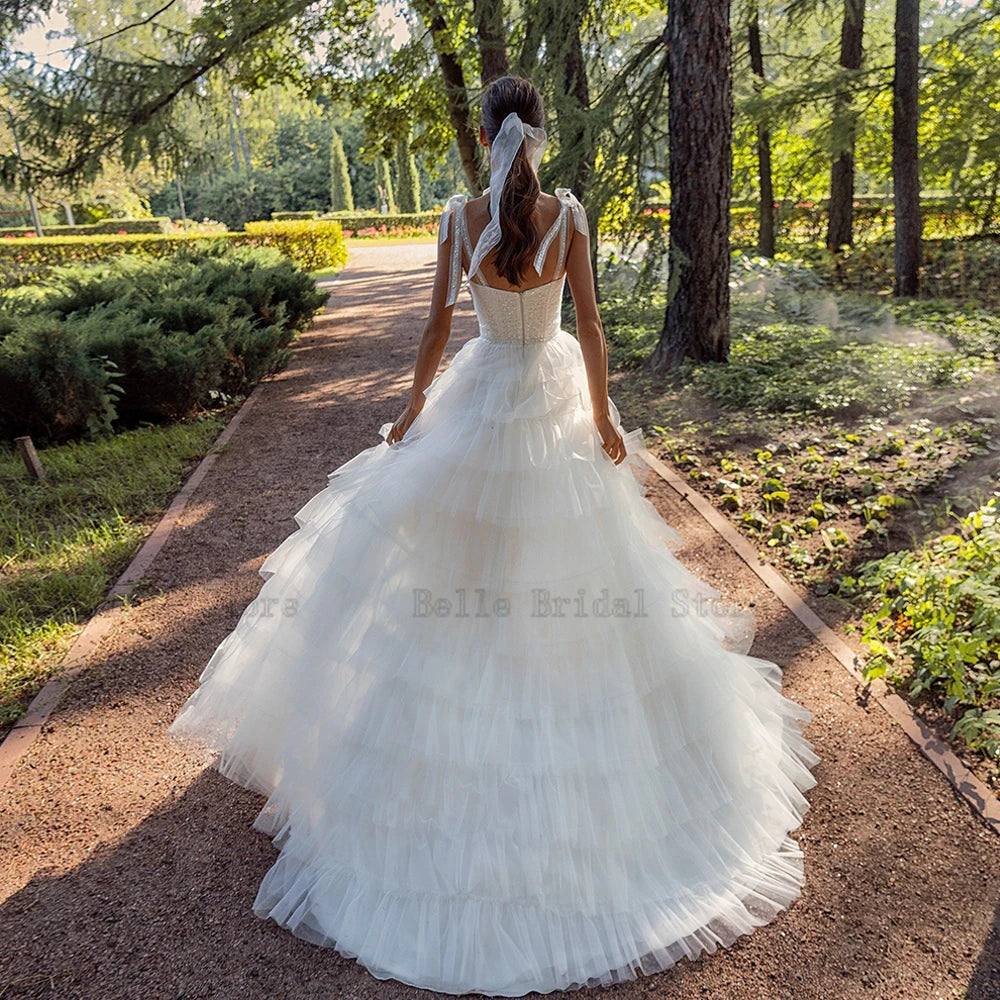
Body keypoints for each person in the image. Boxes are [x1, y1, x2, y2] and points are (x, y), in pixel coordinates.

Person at [167, 74, 819, 996]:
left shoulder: (455, 217)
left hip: (479, 400)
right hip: (548, 400)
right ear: (540, 136)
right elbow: (588, 327)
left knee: (455, 581)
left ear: (483, 137)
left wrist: (409, 413)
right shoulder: (567, 217)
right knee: (577, 578)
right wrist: (601, 420)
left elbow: (436, 326)